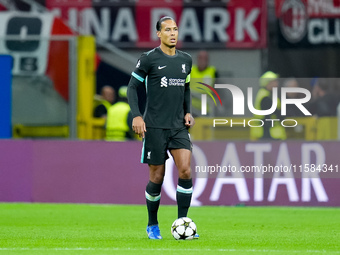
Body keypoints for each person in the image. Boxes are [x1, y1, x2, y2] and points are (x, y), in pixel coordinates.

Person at [127, 16, 197, 240]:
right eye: (167, 30)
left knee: (185, 169)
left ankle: (183, 221)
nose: (172, 33)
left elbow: (186, 88)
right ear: (159, 34)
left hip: (178, 126)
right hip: (155, 127)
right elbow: (132, 87)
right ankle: (152, 224)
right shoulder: (148, 59)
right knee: (157, 176)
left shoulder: (186, 60)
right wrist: (137, 116)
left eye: (175, 29)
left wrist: (188, 111)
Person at [250, 71, 286, 140]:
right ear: (268, 83)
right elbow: (278, 115)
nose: (277, 84)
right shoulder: (265, 98)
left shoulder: (266, 95)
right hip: (268, 135)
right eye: (274, 81)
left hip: (266, 134)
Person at [190, 50, 218, 116]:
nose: (202, 61)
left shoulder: (212, 71)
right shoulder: (190, 70)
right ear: (197, 59)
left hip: (207, 107)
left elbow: (219, 89)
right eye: (200, 58)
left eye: (205, 58)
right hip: (192, 108)